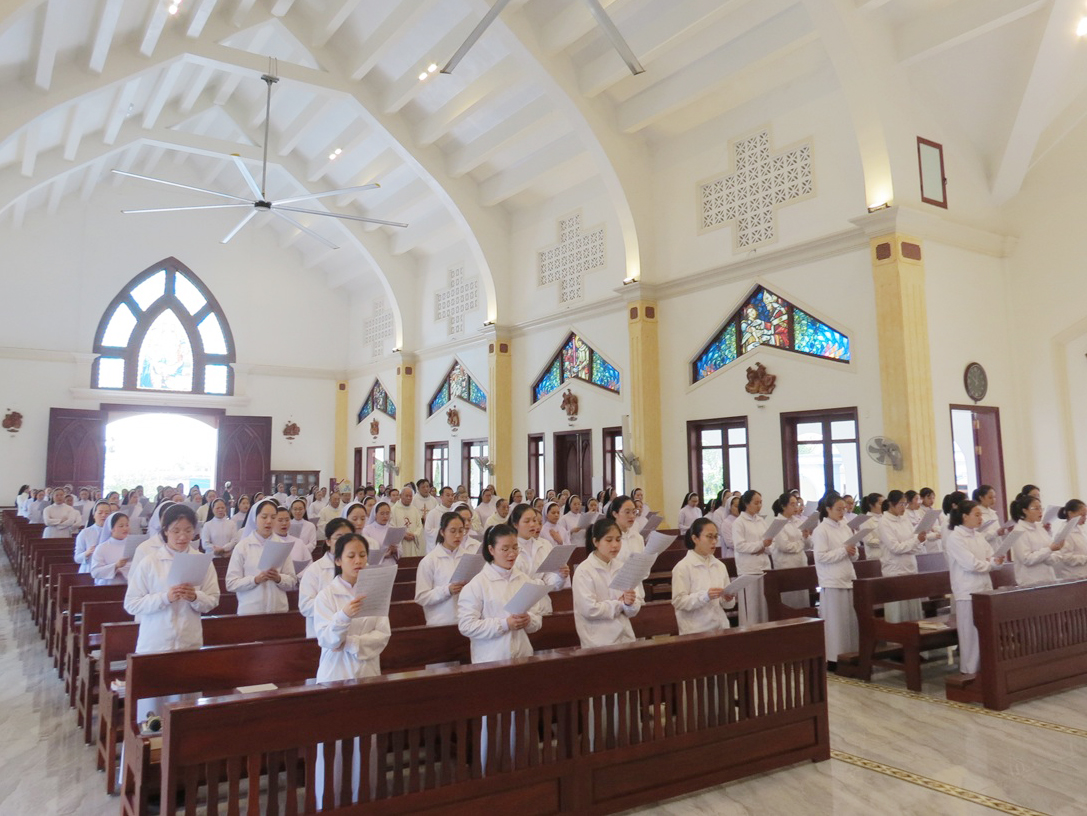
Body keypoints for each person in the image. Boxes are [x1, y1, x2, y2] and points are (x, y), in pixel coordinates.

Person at [123, 504, 220, 653]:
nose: (182, 536)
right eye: (176, 530)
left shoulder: (201, 561)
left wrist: (195, 597)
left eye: (188, 530)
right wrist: (165, 598)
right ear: (166, 531)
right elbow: (131, 604)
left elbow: (213, 599)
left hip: (189, 643)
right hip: (155, 644)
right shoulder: (150, 562)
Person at [457, 524, 544, 664]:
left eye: (515, 548)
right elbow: (467, 626)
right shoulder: (477, 585)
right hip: (491, 660)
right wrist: (504, 624)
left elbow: (537, 619)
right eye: (505, 549)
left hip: (523, 655)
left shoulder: (524, 580)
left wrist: (528, 620)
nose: (512, 554)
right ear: (491, 549)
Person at [314, 533, 391, 681]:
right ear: (338, 560)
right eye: (351, 556)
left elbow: (383, 635)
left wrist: (350, 643)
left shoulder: (375, 592)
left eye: (362, 555)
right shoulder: (326, 596)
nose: (358, 561)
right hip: (336, 672)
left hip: (368, 671)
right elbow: (326, 639)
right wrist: (343, 616)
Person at [945, 500, 1005, 677]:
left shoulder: (978, 536)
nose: (981, 518)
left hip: (985, 588)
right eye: (977, 515)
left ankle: (986, 669)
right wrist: (990, 564)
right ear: (964, 516)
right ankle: (970, 671)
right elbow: (970, 564)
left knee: (985, 631)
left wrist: (995, 562)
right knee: (970, 634)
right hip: (967, 590)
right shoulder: (955, 538)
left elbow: (990, 557)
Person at [572, 518, 642, 648]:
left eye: (618, 539)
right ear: (596, 542)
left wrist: (629, 604)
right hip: (598, 642)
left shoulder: (623, 567)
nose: (615, 545)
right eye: (609, 540)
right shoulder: (584, 571)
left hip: (625, 637)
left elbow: (634, 607)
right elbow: (590, 610)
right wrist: (620, 604)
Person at [225, 498, 298, 615]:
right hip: (250, 613)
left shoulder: (282, 546)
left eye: (273, 517)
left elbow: (292, 581)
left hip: (279, 611)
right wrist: (255, 580)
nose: (269, 521)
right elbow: (231, 583)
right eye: (264, 517)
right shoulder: (243, 547)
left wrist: (278, 578)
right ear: (255, 518)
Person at [812, 492, 859, 666]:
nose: (842, 512)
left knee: (849, 621)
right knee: (835, 623)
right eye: (838, 509)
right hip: (832, 581)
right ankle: (833, 657)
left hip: (847, 577)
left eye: (844, 509)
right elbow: (821, 557)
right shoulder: (821, 530)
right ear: (828, 509)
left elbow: (853, 554)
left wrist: (852, 552)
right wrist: (843, 550)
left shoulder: (845, 527)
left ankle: (850, 654)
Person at [415, 511, 481, 625]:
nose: (458, 535)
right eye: (453, 531)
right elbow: (421, 597)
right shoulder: (430, 561)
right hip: (441, 623)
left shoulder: (468, 558)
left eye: (461, 531)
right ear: (442, 532)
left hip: (467, 621)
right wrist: (447, 590)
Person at [671, 518, 736, 634]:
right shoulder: (683, 567)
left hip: (721, 627)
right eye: (709, 537)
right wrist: (705, 596)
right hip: (695, 631)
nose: (714, 541)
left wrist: (728, 598)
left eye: (716, 537)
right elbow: (679, 602)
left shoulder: (720, 566)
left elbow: (727, 605)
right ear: (695, 538)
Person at [876, 490, 927, 622]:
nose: (904, 507)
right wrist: (915, 542)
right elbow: (895, 548)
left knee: (913, 611)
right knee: (897, 613)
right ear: (891, 504)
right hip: (895, 570)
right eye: (901, 504)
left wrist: (919, 541)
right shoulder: (884, 522)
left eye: (905, 504)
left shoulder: (905, 519)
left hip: (910, 567)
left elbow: (914, 541)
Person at [511, 504, 570, 615]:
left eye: (535, 520)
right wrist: (540, 583)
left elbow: (549, 577)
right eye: (527, 521)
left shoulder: (544, 545)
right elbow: (513, 581)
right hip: (520, 606)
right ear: (515, 524)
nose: (533, 524)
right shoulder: (509, 548)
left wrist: (560, 575)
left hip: (543, 606)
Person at [299, 519, 354, 638]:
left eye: (348, 538)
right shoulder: (315, 570)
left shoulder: (361, 567)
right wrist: (339, 608)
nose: (344, 542)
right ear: (328, 541)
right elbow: (305, 606)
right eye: (339, 537)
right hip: (322, 634)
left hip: (354, 632)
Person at [731, 490, 771, 626]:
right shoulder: (739, 522)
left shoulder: (761, 521)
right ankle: (749, 632)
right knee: (751, 607)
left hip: (764, 567)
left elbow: (771, 542)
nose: (759, 506)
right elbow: (740, 546)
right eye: (756, 503)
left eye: (761, 503)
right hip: (748, 569)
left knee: (764, 606)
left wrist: (765, 547)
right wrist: (760, 545)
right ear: (747, 504)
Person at [769, 492, 809, 608]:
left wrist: (806, 537)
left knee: (803, 599)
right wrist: (802, 542)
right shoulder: (778, 523)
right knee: (790, 600)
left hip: (801, 563)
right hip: (786, 565)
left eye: (796, 504)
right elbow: (785, 546)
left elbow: (809, 544)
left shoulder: (798, 521)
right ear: (783, 506)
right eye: (792, 504)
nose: (796, 507)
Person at [1010, 493, 1059, 586]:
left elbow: (1052, 551)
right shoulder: (1018, 531)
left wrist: (1050, 554)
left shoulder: (1040, 527)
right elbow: (1026, 559)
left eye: (1041, 508)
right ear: (1025, 511)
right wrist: (1049, 550)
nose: (1040, 511)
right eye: (1036, 508)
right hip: (1031, 582)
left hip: (1049, 578)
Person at [90, 511, 132, 585]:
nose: (125, 528)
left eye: (127, 525)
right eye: (121, 526)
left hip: (130, 586)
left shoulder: (133, 545)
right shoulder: (102, 548)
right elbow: (95, 572)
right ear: (112, 528)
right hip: (107, 587)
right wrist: (116, 566)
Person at [74, 500, 110, 573]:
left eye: (107, 513)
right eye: (100, 513)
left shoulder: (114, 532)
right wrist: (87, 553)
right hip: (88, 570)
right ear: (94, 515)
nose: (104, 515)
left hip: (108, 571)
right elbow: (77, 558)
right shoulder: (85, 533)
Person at [606, 495, 643, 565]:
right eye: (627, 512)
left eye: (634, 512)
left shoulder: (638, 537)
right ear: (615, 514)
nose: (632, 516)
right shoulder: (607, 539)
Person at [1057, 500, 1087, 580]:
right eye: (1082, 515)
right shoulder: (1065, 532)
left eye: (1086, 515)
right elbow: (1066, 558)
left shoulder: (1080, 529)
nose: (1085, 518)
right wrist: (1085, 558)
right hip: (1074, 576)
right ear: (1070, 514)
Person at [390, 486, 423, 557]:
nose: (409, 498)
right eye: (406, 496)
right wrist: (403, 535)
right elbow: (392, 526)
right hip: (401, 543)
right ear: (400, 496)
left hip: (413, 542)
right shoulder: (393, 510)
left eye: (410, 496)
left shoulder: (414, 510)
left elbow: (419, 526)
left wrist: (414, 534)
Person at [424, 486, 456, 552]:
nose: (451, 497)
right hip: (436, 549)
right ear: (441, 497)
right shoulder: (433, 513)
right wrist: (445, 532)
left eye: (452, 495)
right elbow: (428, 531)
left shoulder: (455, 512)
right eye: (448, 495)